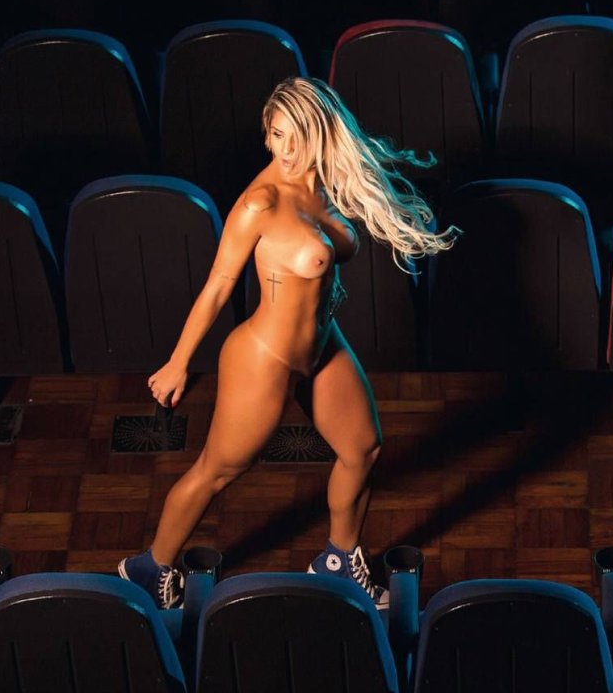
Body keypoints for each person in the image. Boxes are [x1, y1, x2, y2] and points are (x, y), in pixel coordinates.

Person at [118, 77, 454, 609]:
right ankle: (148, 568)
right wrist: (179, 363)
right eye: (277, 135)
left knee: (363, 448)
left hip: (321, 346)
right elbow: (219, 286)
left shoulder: (326, 184)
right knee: (219, 470)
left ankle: (339, 561)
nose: (286, 149)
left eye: (297, 137)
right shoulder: (261, 202)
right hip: (264, 357)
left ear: (320, 134)